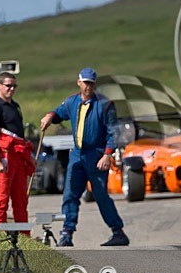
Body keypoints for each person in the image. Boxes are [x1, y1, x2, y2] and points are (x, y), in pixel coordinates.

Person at [40, 67, 129, 247]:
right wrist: (49, 116)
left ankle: (118, 232)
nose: (88, 86)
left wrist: (107, 155)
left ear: (94, 85)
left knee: (100, 194)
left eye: (91, 83)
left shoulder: (105, 105)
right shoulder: (72, 102)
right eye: (85, 82)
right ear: (79, 82)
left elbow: (113, 132)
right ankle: (67, 233)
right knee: (70, 194)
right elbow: (59, 112)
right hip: (77, 154)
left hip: (96, 155)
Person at [0, 72, 35, 230]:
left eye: (14, 86)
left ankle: (24, 234)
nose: (11, 89)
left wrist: (29, 158)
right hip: (5, 158)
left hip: (19, 157)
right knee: (1, 198)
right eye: (8, 86)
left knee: (20, 199)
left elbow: (20, 137)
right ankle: (0, 233)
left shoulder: (15, 106)